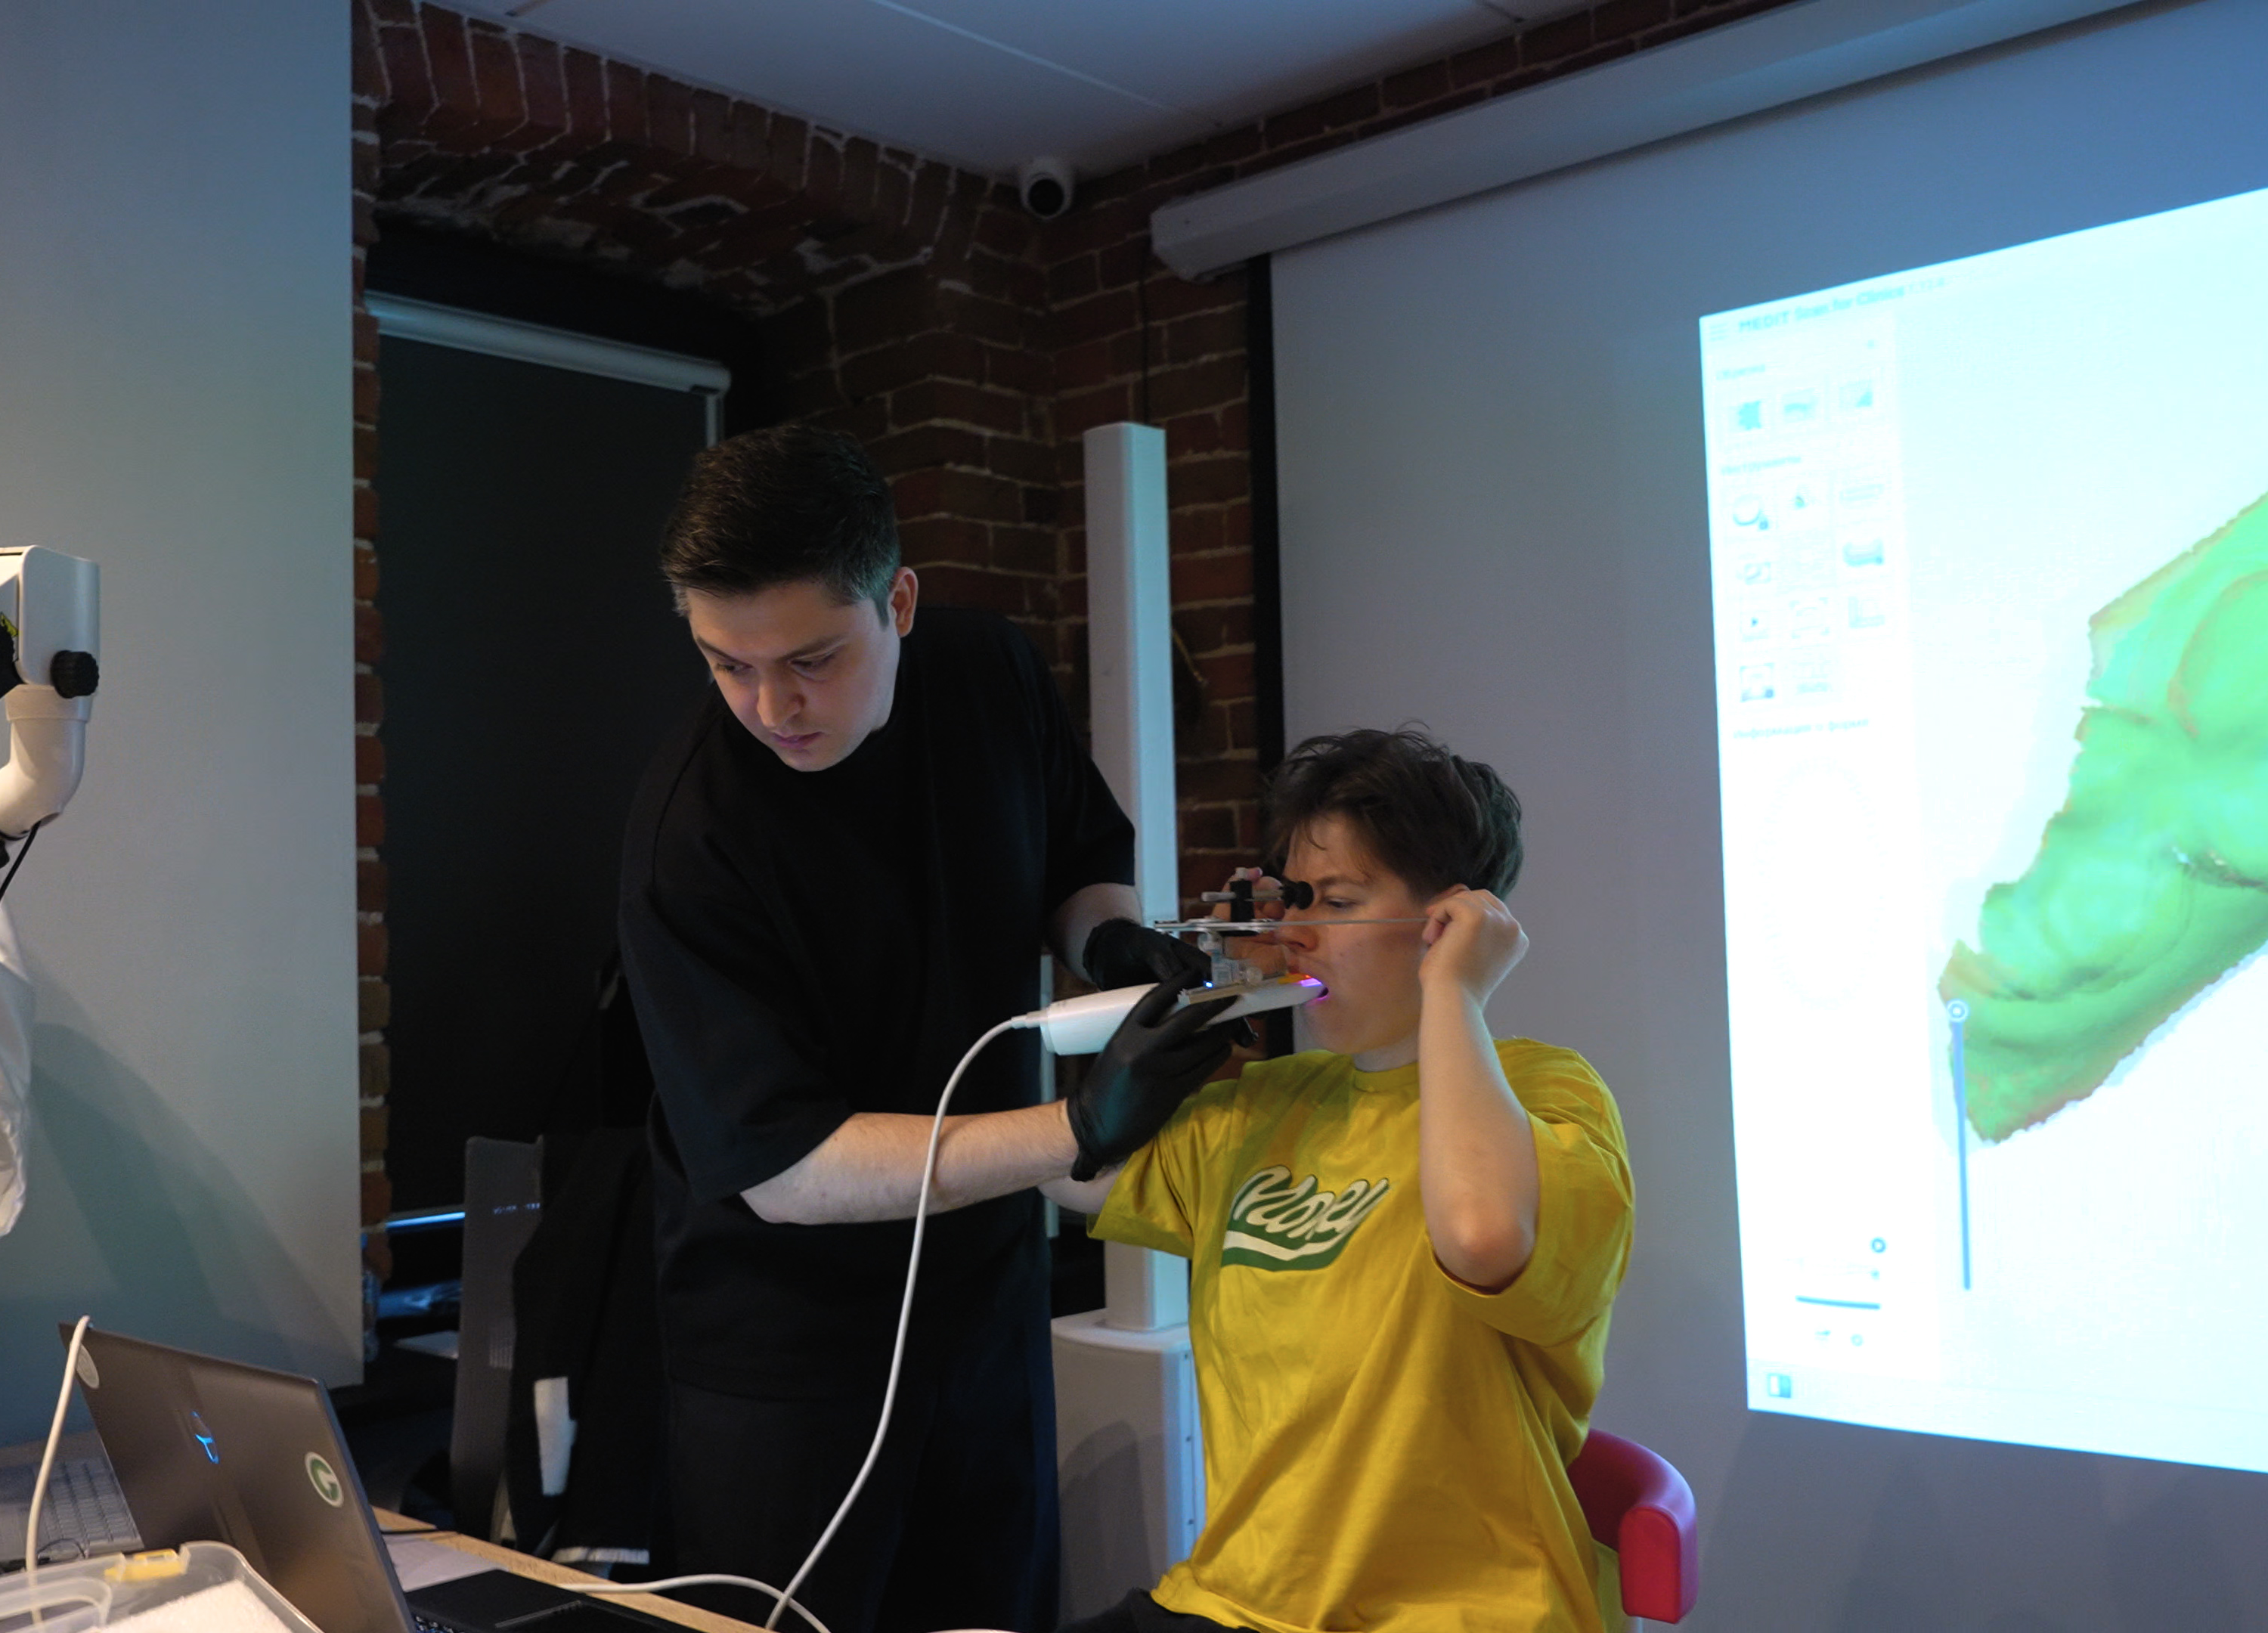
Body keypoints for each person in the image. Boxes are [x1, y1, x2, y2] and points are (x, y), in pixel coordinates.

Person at [615, 426, 1235, 1633]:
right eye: (727, 664)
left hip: (988, 1298)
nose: (772, 707)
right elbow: (789, 1170)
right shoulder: (689, 838)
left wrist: (1111, 941)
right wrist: (1077, 1128)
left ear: (897, 602)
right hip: (786, 1354)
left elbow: (1077, 857)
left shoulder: (989, 674)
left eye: (812, 659)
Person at [1060, 729, 1640, 1633]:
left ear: (1452, 920)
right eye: (1294, 900)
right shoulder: (1268, 1103)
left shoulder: (1549, 1092)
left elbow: (1481, 1235)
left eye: (1336, 902)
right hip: (1231, 1605)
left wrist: (1456, 992)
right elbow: (1070, 1171)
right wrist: (1193, 1009)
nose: (1298, 934)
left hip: (1458, 1616)